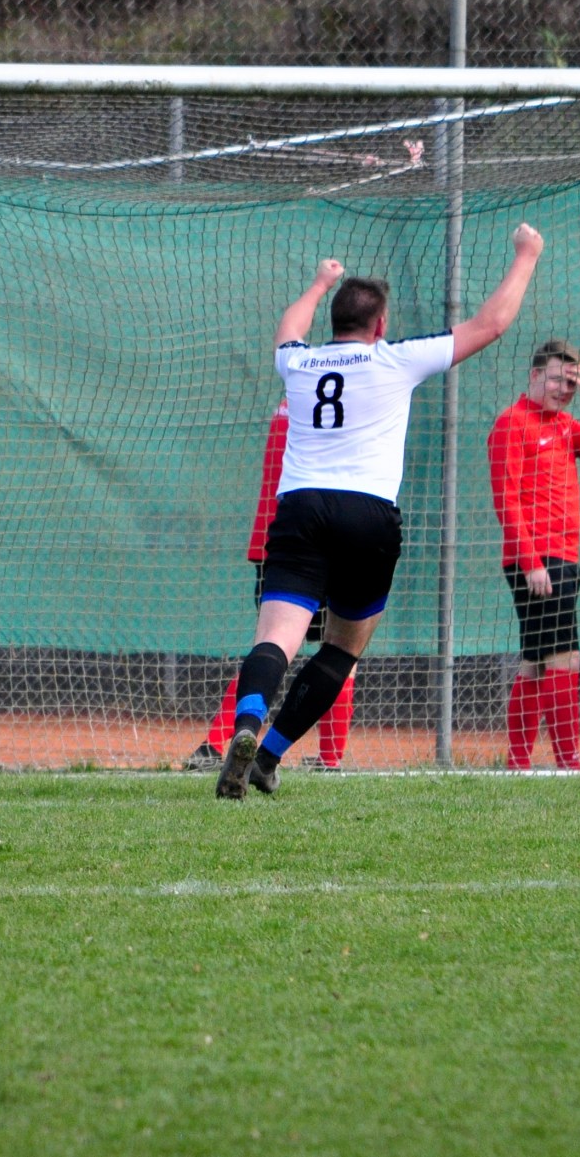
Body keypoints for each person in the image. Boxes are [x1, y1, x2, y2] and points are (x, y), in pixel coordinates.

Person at [216, 223, 546, 799]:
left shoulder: (300, 364)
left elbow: (288, 331)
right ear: (381, 326)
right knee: (342, 646)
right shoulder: (396, 359)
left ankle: (246, 723)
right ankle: (268, 757)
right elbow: (491, 324)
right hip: (368, 516)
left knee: (276, 638)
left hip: (300, 509)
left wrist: (319, 283)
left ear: (334, 324)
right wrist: (526, 255)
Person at [185, 397, 356, 773]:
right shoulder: (337, 411)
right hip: (320, 541)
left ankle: (215, 745)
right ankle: (329, 758)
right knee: (339, 651)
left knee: (270, 647)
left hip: (271, 539)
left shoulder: (286, 404)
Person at [487, 339, 580, 770]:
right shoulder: (511, 424)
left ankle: (519, 764)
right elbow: (505, 498)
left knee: (535, 662)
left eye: (570, 382)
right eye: (556, 379)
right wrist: (531, 563)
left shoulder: (566, 425)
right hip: (539, 562)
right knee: (564, 658)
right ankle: (569, 763)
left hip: (563, 559)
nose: (562, 389)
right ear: (533, 376)